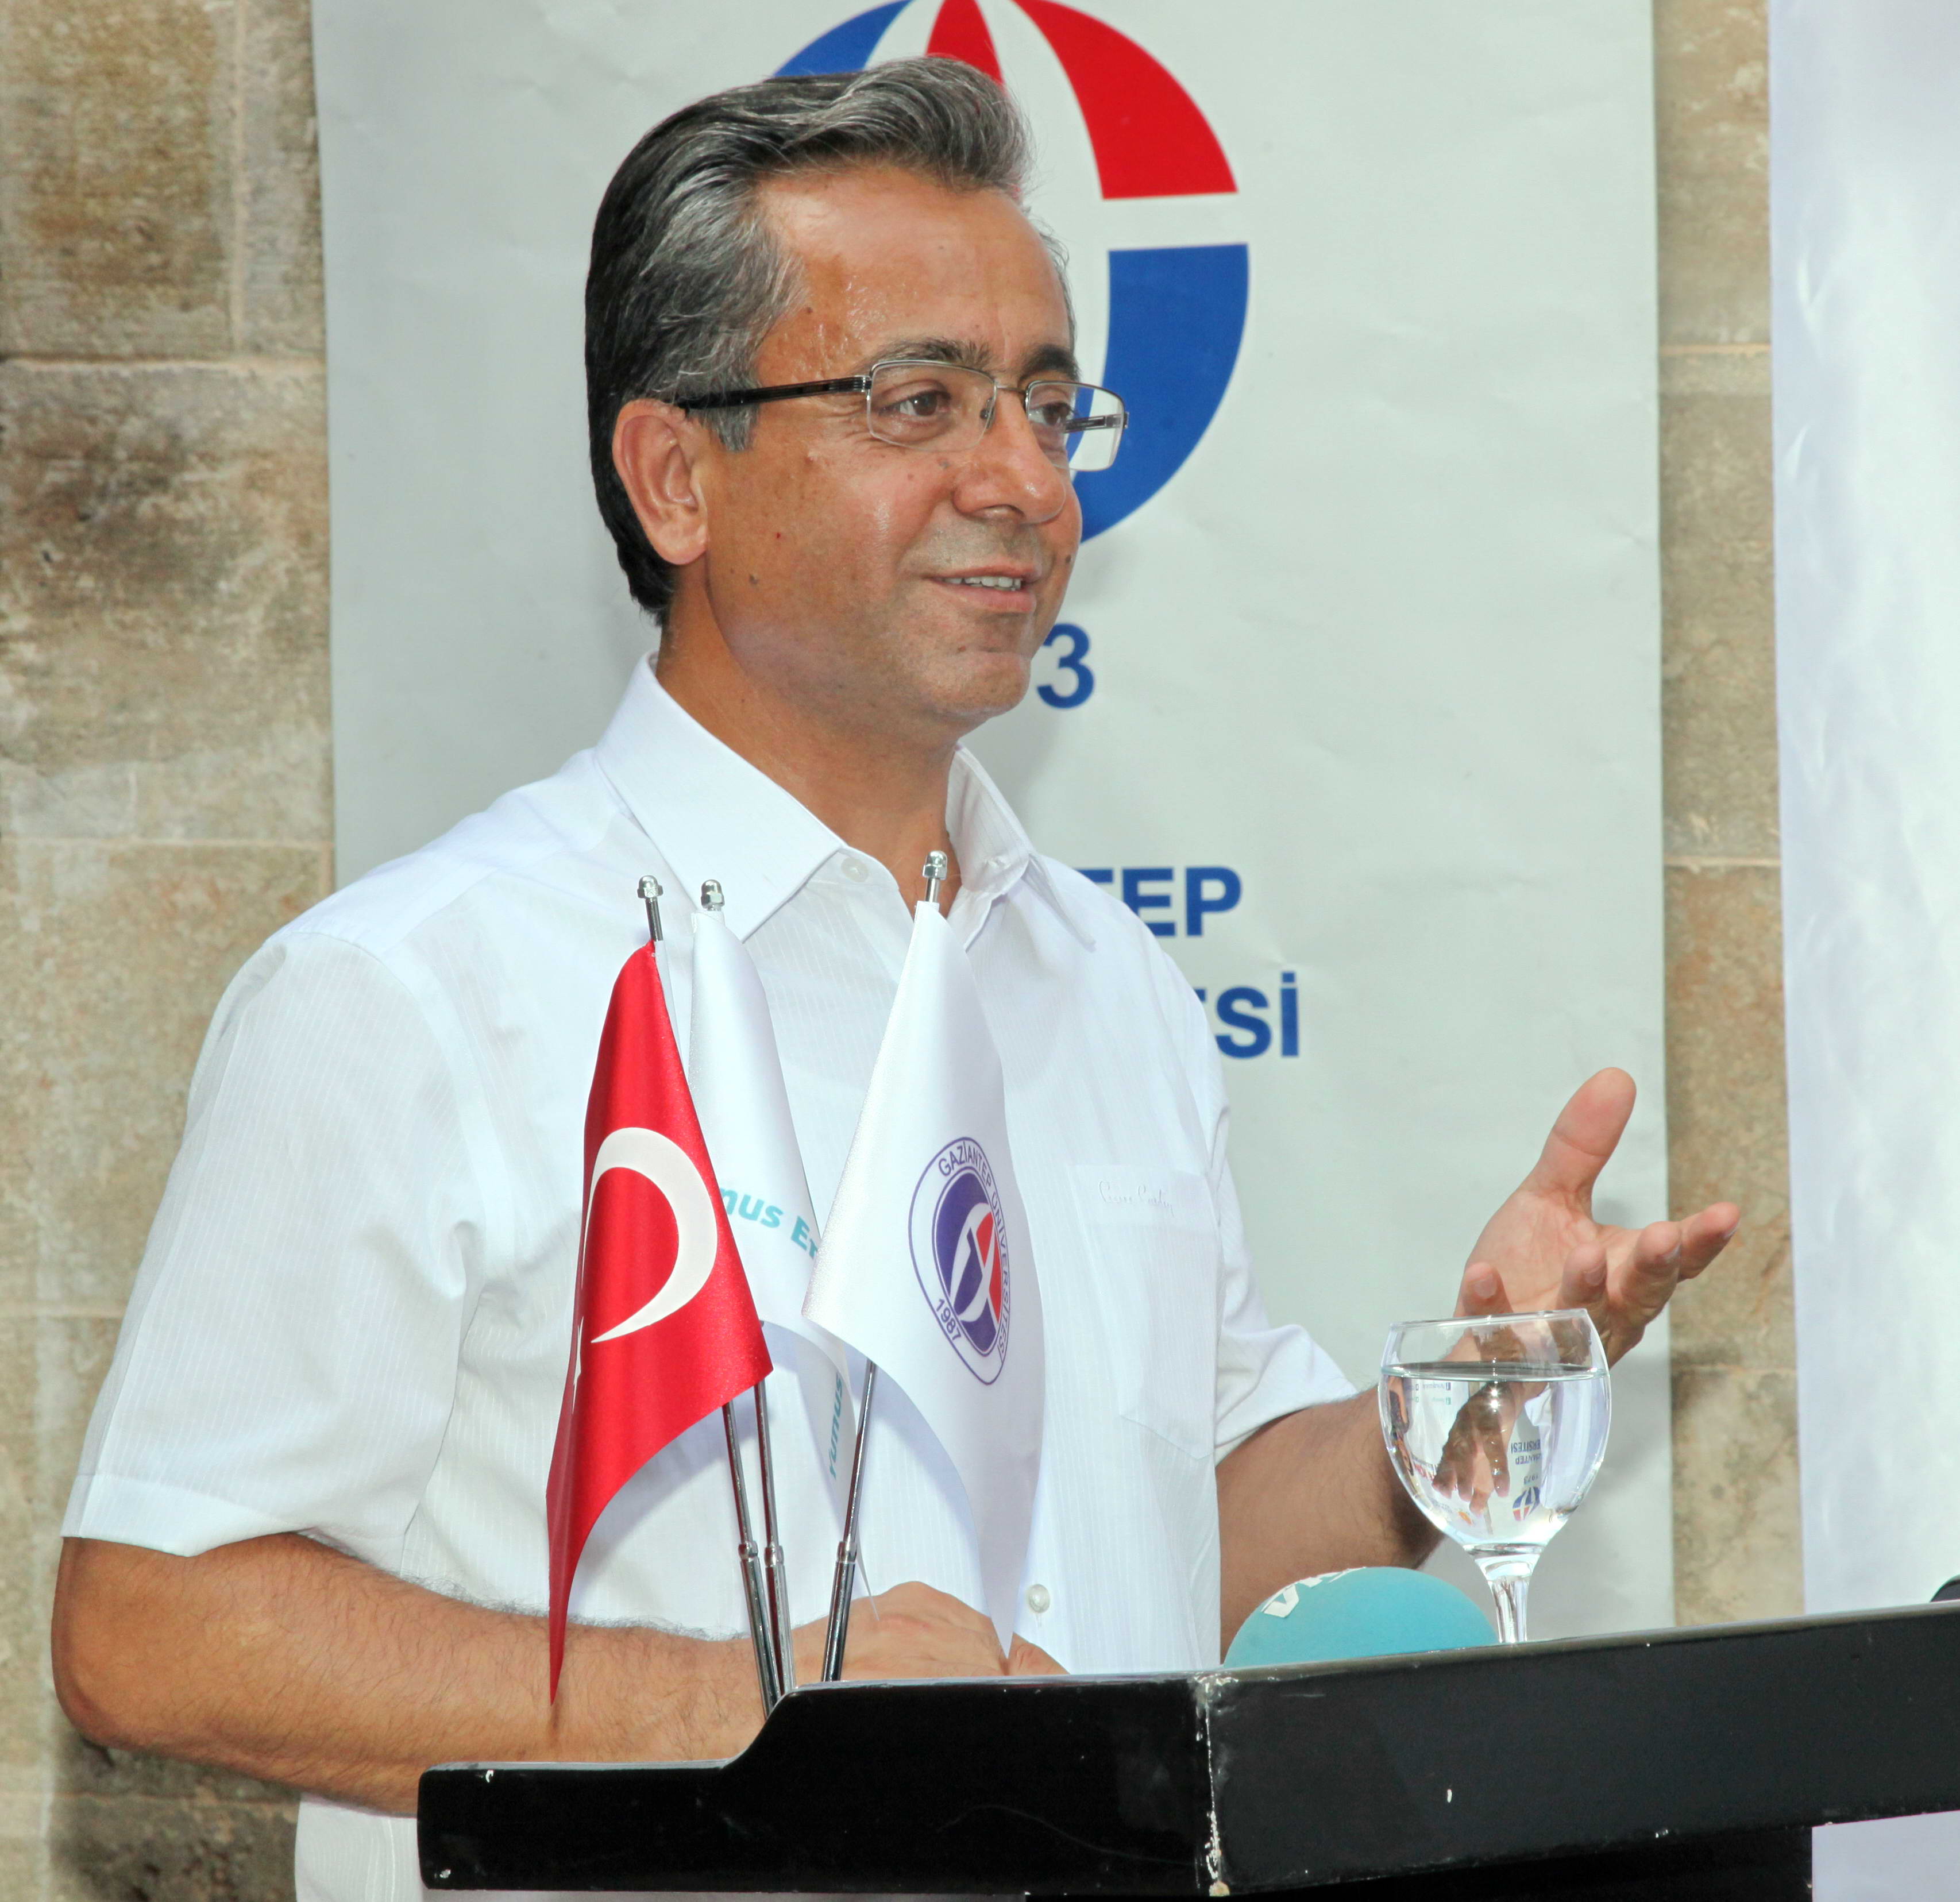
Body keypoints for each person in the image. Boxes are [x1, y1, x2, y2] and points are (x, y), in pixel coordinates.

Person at [49, 57, 1737, 1902]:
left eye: (1044, 403)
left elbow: (1183, 1545)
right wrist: (764, 1707)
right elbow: (153, 1624)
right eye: (916, 402)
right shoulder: (416, 989)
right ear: (675, 477)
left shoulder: (1103, 981)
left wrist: (1459, 1413)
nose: (1020, 481)